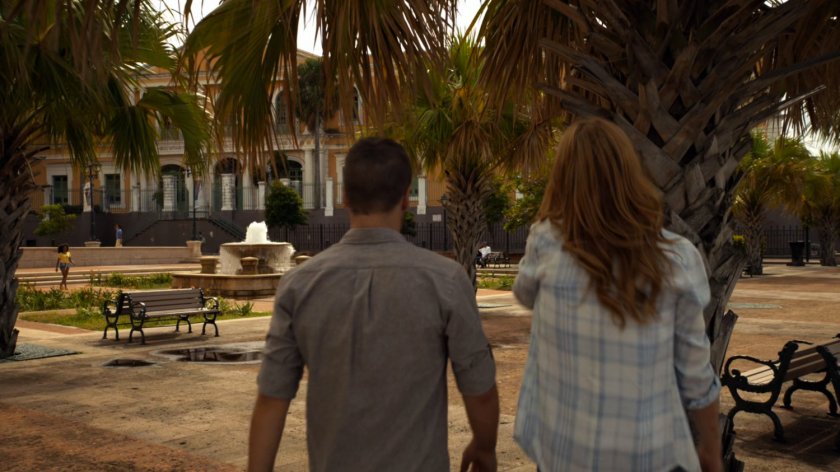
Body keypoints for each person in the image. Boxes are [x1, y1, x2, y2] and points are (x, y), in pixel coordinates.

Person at [249, 137, 499, 472]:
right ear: (405, 198)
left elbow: (272, 399)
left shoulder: (299, 284)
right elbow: (479, 388)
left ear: (344, 197)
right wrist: (484, 447)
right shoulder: (446, 280)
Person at [512, 117, 722, 472]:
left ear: (563, 178)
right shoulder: (677, 257)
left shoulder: (545, 241)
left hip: (563, 453)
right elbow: (696, 376)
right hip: (648, 455)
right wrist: (712, 451)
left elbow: (524, 294)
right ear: (630, 171)